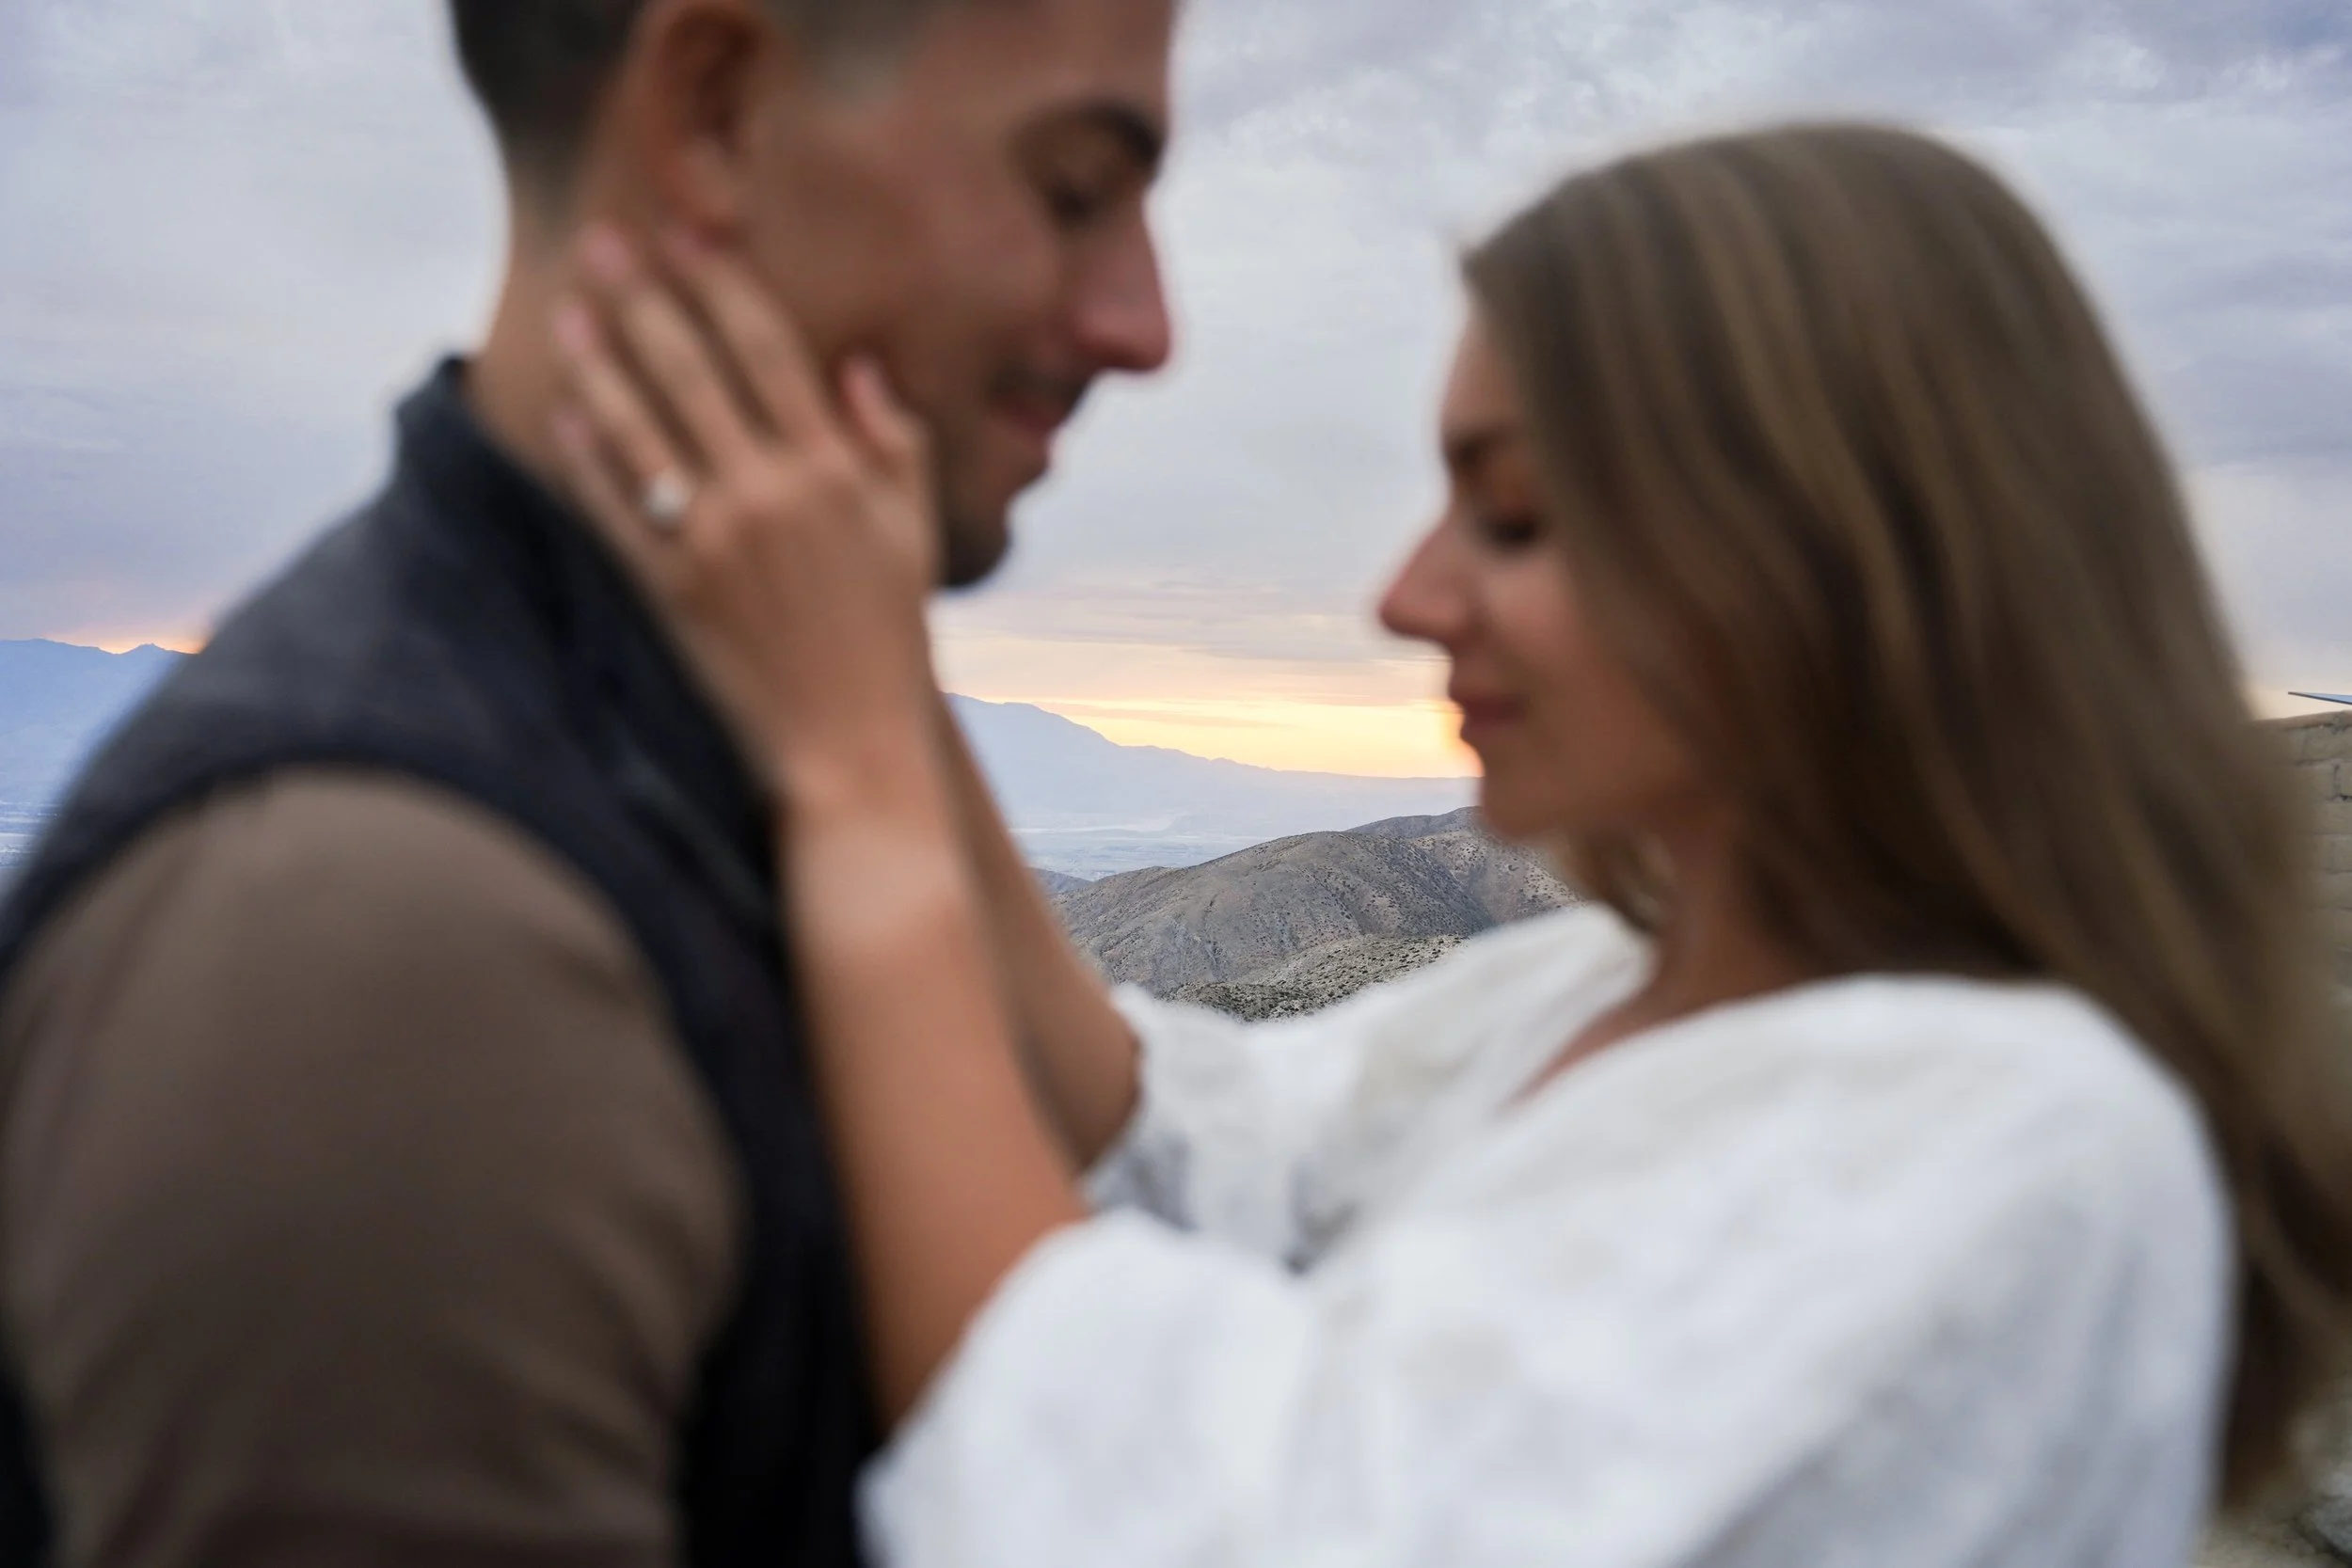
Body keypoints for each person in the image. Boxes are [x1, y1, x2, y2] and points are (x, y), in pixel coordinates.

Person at [544, 123, 2352, 1565]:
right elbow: (1188, 1146)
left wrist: (857, 798)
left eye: (1515, 516)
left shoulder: (2028, 1146)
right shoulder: (1609, 985)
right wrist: (880, 660)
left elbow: (1171, 1524)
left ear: (1821, 554)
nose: (1411, 595)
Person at [0, 1, 1173, 1563]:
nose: (1143, 324)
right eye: (1077, 187)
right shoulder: (381, 952)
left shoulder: (779, 752)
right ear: (712, 108)